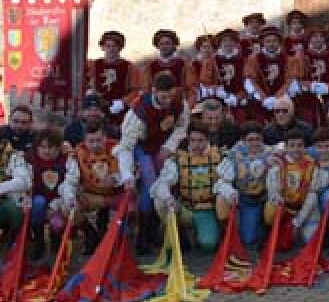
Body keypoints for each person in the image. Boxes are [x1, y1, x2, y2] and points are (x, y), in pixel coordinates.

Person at [121, 73, 187, 239]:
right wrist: (127, 173)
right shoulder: (138, 112)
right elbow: (126, 146)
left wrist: (168, 147)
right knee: (150, 184)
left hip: (165, 146)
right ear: (154, 91)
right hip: (142, 146)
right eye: (164, 97)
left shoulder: (180, 104)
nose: (168, 101)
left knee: (169, 181)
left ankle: (162, 227)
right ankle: (144, 231)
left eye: (171, 96)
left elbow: (181, 128)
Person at [58, 121, 132, 254]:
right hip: (91, 195)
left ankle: (120, 238)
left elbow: (130, 171)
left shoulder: (119, 149)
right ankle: (91, 234)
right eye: (91, 141)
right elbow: (70, 180)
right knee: (67, 208)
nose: (95, 144)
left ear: (105, 137)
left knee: (133, 208)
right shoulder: (76, 155)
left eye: (99, 140)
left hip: (116, 194)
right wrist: (70, 197)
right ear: (84, 141)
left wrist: (116, 179)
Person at [150, 121, 223, 253]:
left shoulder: (218, 156)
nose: (196, 145)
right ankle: (177, 233)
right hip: (184, 208)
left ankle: (209, 229)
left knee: (208, 245)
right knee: (160, 201)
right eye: (193, 140)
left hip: (206, 208)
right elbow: (161, 183)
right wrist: (168, 198)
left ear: (207, 140)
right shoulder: (178, 159)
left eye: (201, 140)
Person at [214, 123, 271, 246]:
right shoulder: (233, 155)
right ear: (243, 140)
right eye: (250, 140)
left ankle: (269, 226)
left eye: (257, 139)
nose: (254, 143)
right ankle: (228, 230)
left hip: (266, 198)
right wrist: (231, 193)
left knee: (272, 209)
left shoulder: (271, 153)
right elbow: (222, 182)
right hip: (247, 200)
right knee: (249, 239)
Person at [25, 129, 75, 260]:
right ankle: (38, 240)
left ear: (59, 147)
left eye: (51, 147)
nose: (46, 151)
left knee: (57, 223)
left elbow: (71, 180)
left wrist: (70, 152)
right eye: (42, 147)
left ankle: (56, 238)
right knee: (38, 203)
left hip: (57, 201)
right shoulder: (29, 158)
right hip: (38, 200)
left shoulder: (66, 160)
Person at [264, 129, 320, 247]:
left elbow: (313, 196)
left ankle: (298, 227)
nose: (296, 149)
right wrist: (278, 201)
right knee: (271, 210)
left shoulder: (313, 164)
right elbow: (272, 191)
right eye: (292, 145)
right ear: (286, 147)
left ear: (305, 147)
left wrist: (297, 222)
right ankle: (274, 228)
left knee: (310, 240)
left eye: (300, 145)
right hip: (285, 207)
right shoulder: (278, 163)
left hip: (305, 207)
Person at [296, 27, 329, 128]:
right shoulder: (302, 57)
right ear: (310, 39)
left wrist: (327, 87)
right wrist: (311, 86)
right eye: (315, 37)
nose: (318, 39)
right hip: (309, 96)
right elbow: (299, 77)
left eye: (321, 36)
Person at [244, 25, 296, 119]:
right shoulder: (254, 59)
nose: (271, 44)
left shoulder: (289, 60)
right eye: (268, 41)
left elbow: (290, 81)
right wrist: (262, 97)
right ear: (263, 43)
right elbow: (250, 81)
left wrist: (277, 98)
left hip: (283, 101)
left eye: (274, 41)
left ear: (279, 42)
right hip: (260, 102)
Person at [86, 30, 132, 124]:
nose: (111, 49)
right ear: (103, 47)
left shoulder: (129, 67)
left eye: (114, 46)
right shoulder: (93, 65)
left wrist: (123, 102)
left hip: (120, 111)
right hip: (97, 110)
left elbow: (137, 90)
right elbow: (86, 84)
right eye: (108, 46)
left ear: (120, 47)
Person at [134, 29, 189, 102]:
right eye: (161, 44)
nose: (164, 46)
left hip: (178, 103)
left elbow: (190, 88)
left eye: (167, 43)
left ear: (174, 45)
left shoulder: (183, 64)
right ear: (158, 46)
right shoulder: (151, 66)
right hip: (156, 105)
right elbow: (145, 89)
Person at [211, 29, 251, 124]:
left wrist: (238, 97)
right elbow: (206, 80)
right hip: (218, 98)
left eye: (231, 40)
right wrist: (218, 90)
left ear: (235, 43)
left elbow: (247, 81)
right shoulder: (212, 61)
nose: (228, 43)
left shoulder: (243, 60)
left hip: (239, 97)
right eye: (224, 40)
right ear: (220, 43)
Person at [188, 34, 220, 107]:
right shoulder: (194, 64)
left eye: (209, 47)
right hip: (199, 93)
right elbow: (191, 82)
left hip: (217, 92)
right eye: (204, 47)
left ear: (214, 48)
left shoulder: (218, 61)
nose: (207, 50)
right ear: (199, 49)